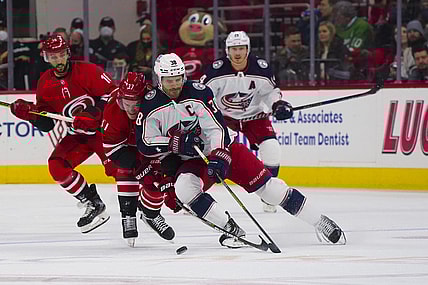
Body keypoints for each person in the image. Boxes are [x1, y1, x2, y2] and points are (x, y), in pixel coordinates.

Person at [136, 53, 346, 249]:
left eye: (178, 78)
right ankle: (231, 229)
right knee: (184, 189)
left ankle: (321, 221)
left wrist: (218, 154)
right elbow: (145, 141)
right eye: (169, 80)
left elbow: (215, 128)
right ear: (159, 78)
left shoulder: (198, 93)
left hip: (226, 148)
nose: (175, 84)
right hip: (191, 159)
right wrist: (174, 143)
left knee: (270, 190)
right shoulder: (150, 104)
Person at [9, 34, 116, 233]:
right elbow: (47, 123)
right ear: (45, 58)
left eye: (60, 55)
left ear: (67, 53)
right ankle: (93, 202)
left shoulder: (87, 71)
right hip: (78, 137)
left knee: (120, 171)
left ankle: (147, 208)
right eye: (53, 56)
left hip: (105, 132)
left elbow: (113, 95)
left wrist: (93, 113)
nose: (58, 60)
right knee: (56, 166)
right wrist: (30, 114)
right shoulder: (45, 83)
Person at [200, 31, 293, 213]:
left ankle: (270, 196)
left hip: (255, 116)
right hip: (225, 120)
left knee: (272, 149)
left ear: (247, 49)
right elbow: (203, 96)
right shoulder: (216, 70)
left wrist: (277, 104)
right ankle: (197, 194)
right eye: (234, 49)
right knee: (215, 156)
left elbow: (270, 92)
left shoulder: (261, 68)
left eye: (241, 48)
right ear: (227, 50)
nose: (238, 53)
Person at [102, 72, 175, 246]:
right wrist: (137, 165)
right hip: (125, 146)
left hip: (150, 145)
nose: (130, 109)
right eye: (126, 103)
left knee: (158, 177)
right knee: (124, 171)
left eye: (136, 104)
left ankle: (151, 214)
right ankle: (128, 215)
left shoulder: (157, 104)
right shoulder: (113, 109)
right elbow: (112, 149)